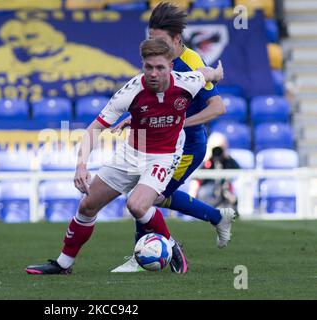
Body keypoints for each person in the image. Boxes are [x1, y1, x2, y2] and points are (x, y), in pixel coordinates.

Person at [25, 38, 224, 275]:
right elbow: (93, 130)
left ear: (171, 66)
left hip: (164, 155)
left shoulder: (186, 83)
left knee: (136, 205)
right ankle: (63, 264)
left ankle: (170, 245)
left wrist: (216, 73)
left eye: (160, 67)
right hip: (132, 153)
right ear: (142, 65)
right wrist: (81, 165)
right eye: (148, 67)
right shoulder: (130, 92)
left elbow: (205, 73)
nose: (153, 73)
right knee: (88, 206)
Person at [111, 2, 237, 273]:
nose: (153, 46)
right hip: (160, 143)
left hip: (187, 147)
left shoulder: (191, 62)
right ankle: (217, 217)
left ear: (177, 40)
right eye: (150, 39)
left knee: (146, 198)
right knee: (150, 195)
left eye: (160, 41)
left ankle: (145, 252)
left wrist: (179, 124)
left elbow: (217, 107)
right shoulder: (160, 59)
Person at [192, 132, 240, 210]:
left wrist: (226, 155)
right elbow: (196, 179)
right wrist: (208, 157)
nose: (217, 151)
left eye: (220, 148)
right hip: (207, 194)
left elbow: (239, 173)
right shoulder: (206, 161)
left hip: (224, 194)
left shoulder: (228, 161)